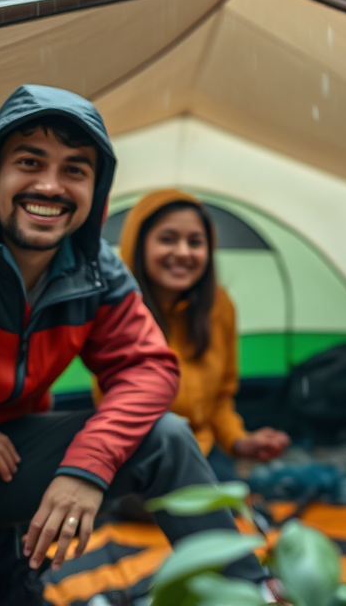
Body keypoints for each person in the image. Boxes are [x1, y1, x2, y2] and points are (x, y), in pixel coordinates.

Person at [0, 85, 274, 605]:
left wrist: (86, 469)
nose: (50, 185)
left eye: (75, 169)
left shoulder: (93, 270)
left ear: (97, 188)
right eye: (30, 161)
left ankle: (248, 595)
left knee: (164, 437)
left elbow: (149, 368)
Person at [92, 190, 289, 479]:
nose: (183, 252)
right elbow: (116, 408)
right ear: (137, 244)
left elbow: (221, 397)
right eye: (167, 239)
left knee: (236, 507)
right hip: (139, 454)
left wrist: (240, 441)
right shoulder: (118, 310)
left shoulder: (218, 305)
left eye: (195, 242)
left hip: (204, 449)